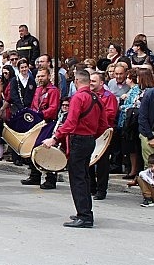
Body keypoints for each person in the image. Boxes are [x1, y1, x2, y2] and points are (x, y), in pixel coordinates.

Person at [42, 70, 109, 228]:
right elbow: (103, 125)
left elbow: (70, 123)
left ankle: (84, 216)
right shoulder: (96, 98)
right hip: (90, 140)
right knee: (84, 177)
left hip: (78, 140)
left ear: (77, 81)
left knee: (77, 179)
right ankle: (85, 211)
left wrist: (54, 138)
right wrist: (91, 134)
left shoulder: (78, 97)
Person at [21, 67, 60, 189]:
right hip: (37, 123)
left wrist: (41, 115)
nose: (40, 78)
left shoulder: (53, 91)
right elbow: (34, 105)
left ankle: (51, 178)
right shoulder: (38, 90)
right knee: (33, 148)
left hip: (48, 123)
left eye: (42, 76)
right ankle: (35, 175)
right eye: (38, 76)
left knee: (46, 149)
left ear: (49, 76)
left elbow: (53, 108)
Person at [87, 72, 118, 200]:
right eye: (90, 81)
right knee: (88, 161)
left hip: (103, 133)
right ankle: (91, 187)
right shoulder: (88, 95)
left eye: (94, 81)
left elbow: (110, 114)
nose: (91, 83)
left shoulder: (108, 97)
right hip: (90, 132)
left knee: (102, 164)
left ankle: (101, 190)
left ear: (101, 83)